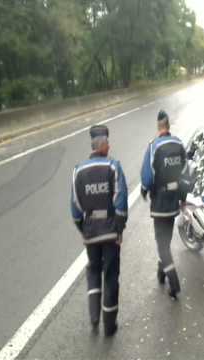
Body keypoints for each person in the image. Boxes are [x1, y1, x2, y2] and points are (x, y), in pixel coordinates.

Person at [70, 125, 128, 337]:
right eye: (108, 142)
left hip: (91, 232)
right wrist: (119, 230)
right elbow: (121, 204)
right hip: (110, 232)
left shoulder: (78, 171)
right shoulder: (113, 167)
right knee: (111, 275)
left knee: (94, 269)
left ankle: (94, 316)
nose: (110, 146)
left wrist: (83, 229)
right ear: (102, 145)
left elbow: (75, 209)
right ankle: (109, 326)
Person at [140, 110, 187, 299]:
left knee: (162, 246)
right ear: (168, 126)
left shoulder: (154, 147)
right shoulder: (179, 144)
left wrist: (144, 190)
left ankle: (173, 282)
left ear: (158, 127)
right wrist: (182, 196)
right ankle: (162, 272)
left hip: (160, 203)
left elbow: (147, 176)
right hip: (173, 201)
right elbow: (185, 171)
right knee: (165, 241)